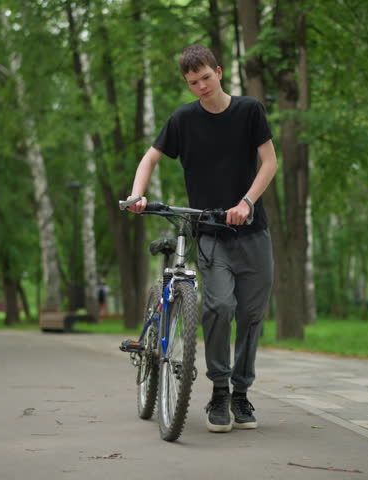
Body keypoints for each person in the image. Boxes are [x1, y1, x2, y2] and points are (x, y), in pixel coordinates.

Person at [126, 44, 277, 433]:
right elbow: (149, 158)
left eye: (206, 77)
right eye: (193, 82)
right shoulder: (183, 120)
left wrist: (247, 201)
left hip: (252, 232)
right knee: (219, 307)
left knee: (251, 315)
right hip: (210, 235)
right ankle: (221, 392)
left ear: (220, 72)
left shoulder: (249, 111)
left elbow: (270, 162)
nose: (201, 87)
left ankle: (242, 393)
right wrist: (138, 194)